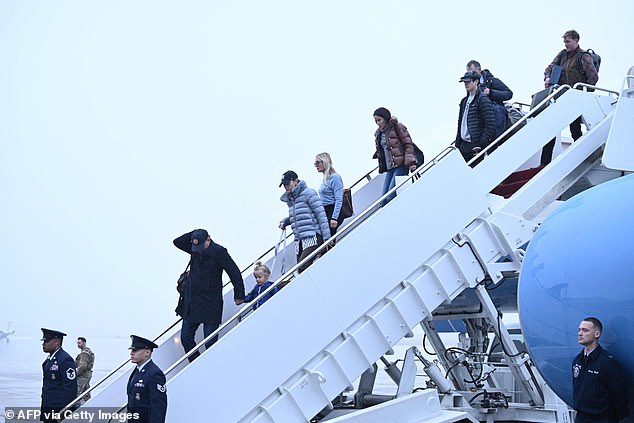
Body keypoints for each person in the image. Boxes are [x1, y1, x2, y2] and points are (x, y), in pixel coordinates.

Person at [173, 229, 245, 360]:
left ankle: (209, 365)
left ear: (208, 239)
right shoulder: (195, 249)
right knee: (185, 337)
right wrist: (195, 235)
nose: (198, 249)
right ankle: (197, 362)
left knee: (210, 343)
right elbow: (177, 242)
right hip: (192, 303)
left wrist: (239, 294)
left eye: (201, 245)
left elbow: (233, 271)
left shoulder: (219, 251)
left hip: (210, 303)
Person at [542, 29, 599, 165]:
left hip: (575, 99)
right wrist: (547, 77)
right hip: (562, 97)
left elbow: (593, 77)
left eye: (568, 41)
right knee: (551, 129)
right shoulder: (563, 55)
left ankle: (580, 159)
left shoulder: (583, 57)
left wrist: (582, 93)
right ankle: (544, 163)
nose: (565, 44)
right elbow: (549, 67)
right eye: (564, 42)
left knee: (575, 129)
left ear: (576, 40)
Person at [572, 317, 628, 423]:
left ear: (597, 334)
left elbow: (619, 394)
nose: (580, 333)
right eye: (579, 329)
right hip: (581, 418)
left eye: (585, 330)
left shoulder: (608, 363)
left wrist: (615, 417)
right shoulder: (577, 361)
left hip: (602, 419)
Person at [278, 170, 331, 273]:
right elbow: (299, 216)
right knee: (301, 270)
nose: (286, 187)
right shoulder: (291, 200)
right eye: (284, 185)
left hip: (313, 235)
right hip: (300, 240)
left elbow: (321, 215)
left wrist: (327, 238)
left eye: (287, 183)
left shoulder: (308, 193)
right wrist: (286, 221)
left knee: (302, 267)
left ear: (296, 181)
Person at [372, 107, 417, 204]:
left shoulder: (398, 127)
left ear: (386, 118)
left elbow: (408, 144)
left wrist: (411, 163)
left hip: (401, 166)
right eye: (376, 121)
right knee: (383, 200)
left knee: (391, 196)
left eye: (379, 120)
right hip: (390, 168)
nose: (378, 123)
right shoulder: (379, 134)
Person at [454, 70, 496, 164]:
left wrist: (480, 144)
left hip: (475, 146)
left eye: (468, 81)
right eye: (464, 82)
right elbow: (460, 124)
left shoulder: (483, 100)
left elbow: (490, 125)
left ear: (476, 81)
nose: (466, 84)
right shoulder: (464, 101)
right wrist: (457, 145)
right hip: (464, 145)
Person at [466, 60, 513, 138]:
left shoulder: (492, 81)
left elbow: (508, 94)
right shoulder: (471, 86)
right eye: (468, 72)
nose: (470, 74)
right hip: (481, 119)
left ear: (479, 70)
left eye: (472, 71)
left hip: (496, 117)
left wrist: (491, 92)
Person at [127, 335, 167, 423]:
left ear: (147, 352)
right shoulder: (137, 371)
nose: (132, 353)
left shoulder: (154, 373)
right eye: (132, 350)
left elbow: (158, 407)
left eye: (135, 350)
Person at [40, 328, 77, 422]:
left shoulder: (65, 360)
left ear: (56, 343)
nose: (43, 344)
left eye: (46, 341)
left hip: (58, 409)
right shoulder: (49, 360)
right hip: (48, 407)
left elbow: (70, 389)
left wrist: (65, 412)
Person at [315, 152, 345, 239]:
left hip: (332, 210)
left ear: (324, 162)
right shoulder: (325, 178)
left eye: (318, 162)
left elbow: (339, 199)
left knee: (329, 239)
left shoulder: (335, 177)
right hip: (325, 210)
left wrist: (334, 218)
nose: (316, 165)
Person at [75, 337, 95, 406]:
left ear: (84, 343)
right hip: (87, 375)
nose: (78, 344)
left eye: (79, 343)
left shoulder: (84, 353)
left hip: (83, 376)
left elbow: (82, 366)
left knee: (77, 393)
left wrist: (75, 374)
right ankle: (89, 406)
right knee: (86, 394)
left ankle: (77, 408)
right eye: (77, 343)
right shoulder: (89, 351)